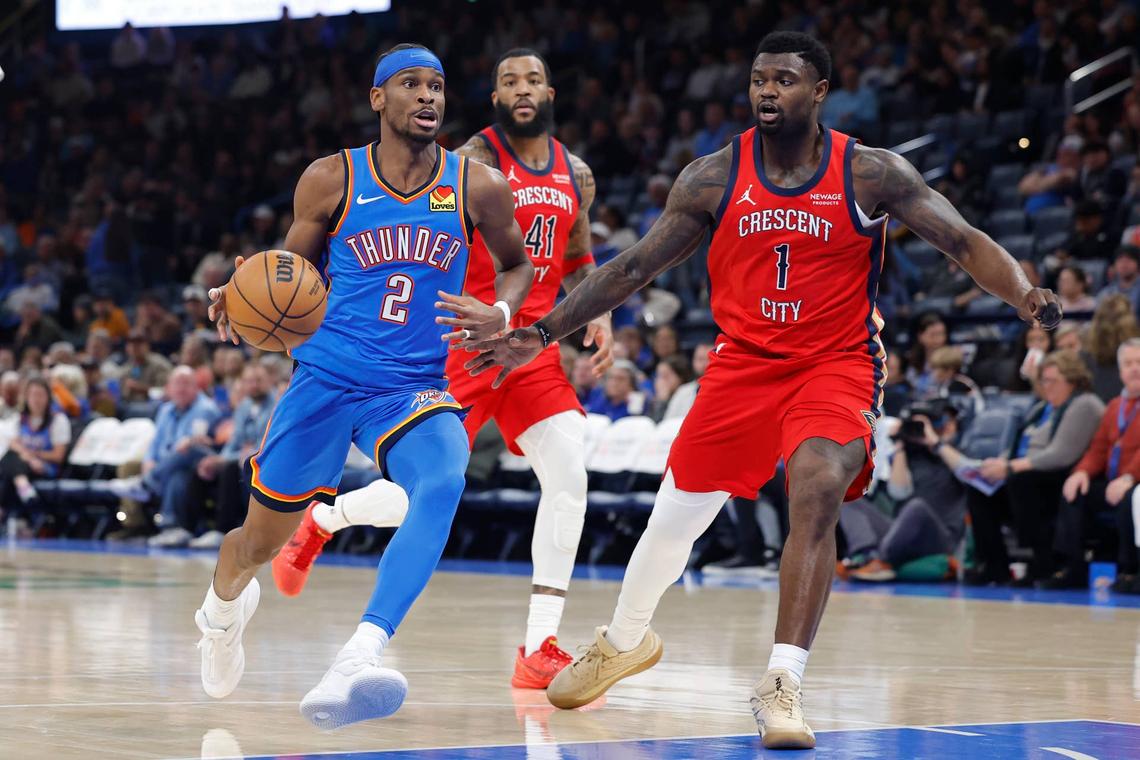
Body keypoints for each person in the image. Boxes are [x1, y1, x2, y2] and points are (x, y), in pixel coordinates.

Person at [464, 32, 1061, 749]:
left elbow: (962, 242)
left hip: (834, 363)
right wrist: (544, 329)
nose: (767, 91)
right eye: (758, 80)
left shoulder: (871, 173)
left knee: (815, 487)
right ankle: (623, 640)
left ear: (819, 93)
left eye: (784, 79)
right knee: (674, 520)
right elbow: (632, 269)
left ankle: (783, 682)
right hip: (742, 365)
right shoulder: (714, 176)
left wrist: (1025, 294)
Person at [198, 44, 533, 728]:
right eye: (410, 85)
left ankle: (360, 652)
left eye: (437, 85)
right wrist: (237, 295)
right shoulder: (331, 178)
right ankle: (221, 613)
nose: (427, 97)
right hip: (324, 377)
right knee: (254, 546)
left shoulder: (477, 186)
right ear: (378, 98)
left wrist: (499, 312)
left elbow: (517, 265)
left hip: (409, 386)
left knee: (444, 479)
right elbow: (285, 273)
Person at [269, 48, 612, 691]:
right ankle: (324, 520)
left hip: (529, 345)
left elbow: (578, 255)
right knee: (425, 492)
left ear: (551, 89)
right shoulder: (474, 164)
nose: (522, 88)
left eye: (533, 77)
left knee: (570, 470)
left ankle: (539, 644)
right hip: (462, 340)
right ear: (492, 96)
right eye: (508, 79)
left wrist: (600, 313)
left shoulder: (579, 174)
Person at [964, 350, 1104, 586]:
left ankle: (1041, 563)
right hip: (1028, 473)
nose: (1045, 386)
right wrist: (997, 464)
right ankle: (994, 565)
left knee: (1023, 481)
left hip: (1060, 477)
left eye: (1051, 381)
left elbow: (1061, 454)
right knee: (979, 489)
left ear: (1072, 380)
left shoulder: (1085, 404)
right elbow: (1018, 443)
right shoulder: (1042, 408)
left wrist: (1010, 467)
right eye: (1043, 380)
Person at [1048, 338, 1140, 589]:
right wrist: (1082, 473)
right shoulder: (1114, 406)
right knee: (1074, 492)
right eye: (1128, 364)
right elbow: (1098, 449)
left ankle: (1129, 571)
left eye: (1139, 362)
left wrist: (1129, 477)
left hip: (1134, 482)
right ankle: (1072, 567)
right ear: (1120, 371)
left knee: (1130, 498)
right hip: (1114, 481)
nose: (1134, 368)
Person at [0, 377, 70, 514]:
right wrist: (30, 459)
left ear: (48, 398)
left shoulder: (58, 420)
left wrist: (34, 456)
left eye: (40, 395)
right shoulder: (20, 418)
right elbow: (13, 443)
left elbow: (58, 456)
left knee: (8, 462)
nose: (36, 399)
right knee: (9, 457)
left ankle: (6, 511)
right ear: (26, 397)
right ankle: (23, 485)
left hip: (46, 467)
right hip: (25, 465)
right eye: (32, 395)